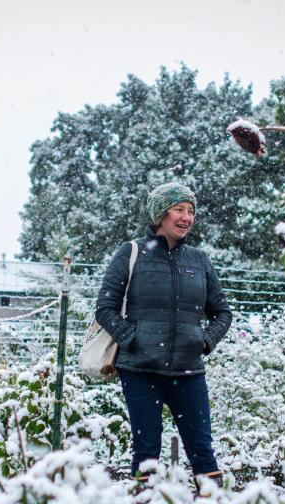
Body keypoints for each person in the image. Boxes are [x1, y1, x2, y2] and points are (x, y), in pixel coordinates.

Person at [95, 182, 232, 487]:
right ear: (161, 215)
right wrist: (133, 339)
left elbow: (222, 313)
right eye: (179, 209)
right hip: (140, 371)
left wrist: (205, 340)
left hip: (189, 370)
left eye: (191, 211)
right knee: (147, 454)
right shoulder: (130, 253)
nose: (187, 217)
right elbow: (105, 308)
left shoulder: (199, 261)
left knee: (202, 452)